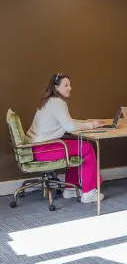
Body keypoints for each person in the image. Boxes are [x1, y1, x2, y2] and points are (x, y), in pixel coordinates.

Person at [26, 73, 105, 203]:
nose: (70, 88)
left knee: (77, 146)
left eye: (70, 85)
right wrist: (90, 125)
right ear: (56, 88)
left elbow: (67, 121)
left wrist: (86, 122)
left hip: (37, 148)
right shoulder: (58, 103)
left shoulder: (49, 101)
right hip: (44, 149)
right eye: (66, 85)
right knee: (87, 147)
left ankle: (70, 189)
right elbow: (69, 127)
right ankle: (89, 193)